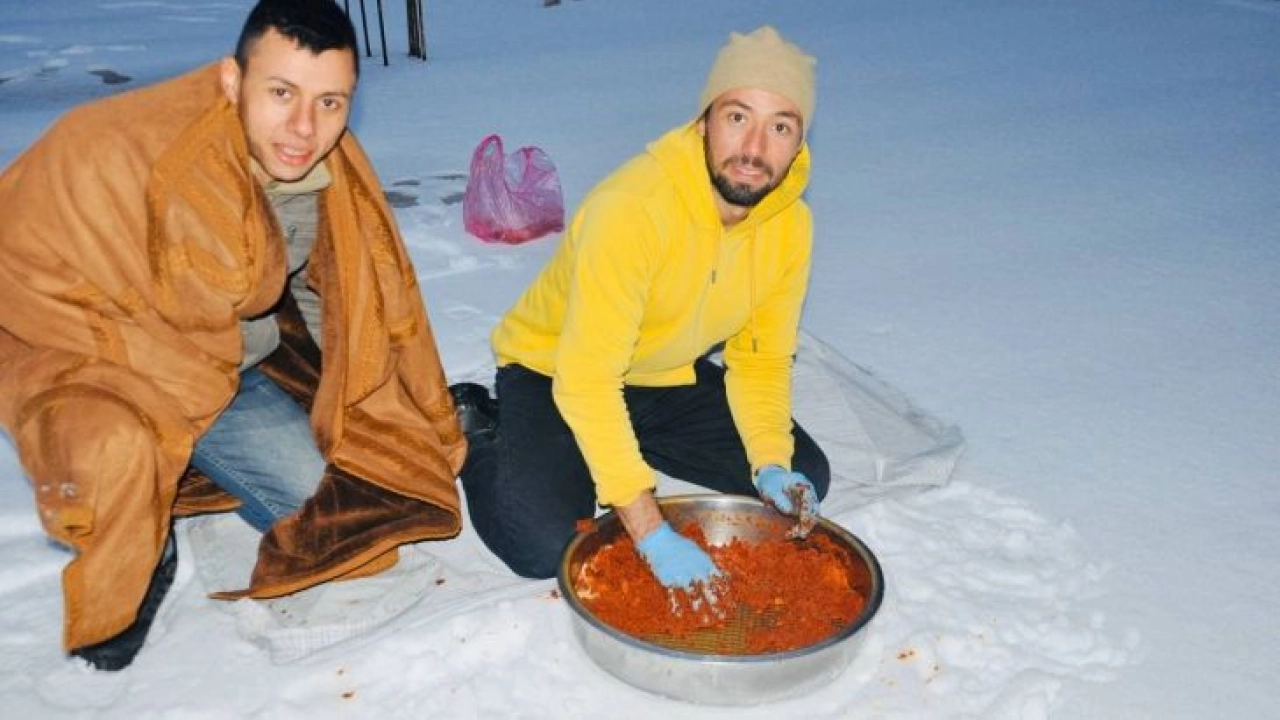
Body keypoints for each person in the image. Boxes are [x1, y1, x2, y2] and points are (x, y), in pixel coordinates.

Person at [0, 0, 466, 671]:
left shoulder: (318, 165)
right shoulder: (136, 156)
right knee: (127, 458)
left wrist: (358, 400)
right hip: (102, 361)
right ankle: (145, 533)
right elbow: (32, 285)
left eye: (330, 102)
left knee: (358, 488)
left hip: (232, 364)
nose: (304, 127)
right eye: (281, 93)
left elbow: (351, 294)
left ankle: (181, 475)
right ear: (231, 79)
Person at [455, 26, 829, 589]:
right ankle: (481, 429)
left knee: (805, 476)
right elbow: (587, 379)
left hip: (658, 374)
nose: (754, 148)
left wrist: (771, 460)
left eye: (781, 127)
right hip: (554, 370)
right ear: (703, 122)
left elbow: (761, 360)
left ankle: (621, 448)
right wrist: (650, 530)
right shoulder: (631, 210)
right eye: (737, 117)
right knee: (546, 546)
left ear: (798, 144)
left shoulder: (790, 226)